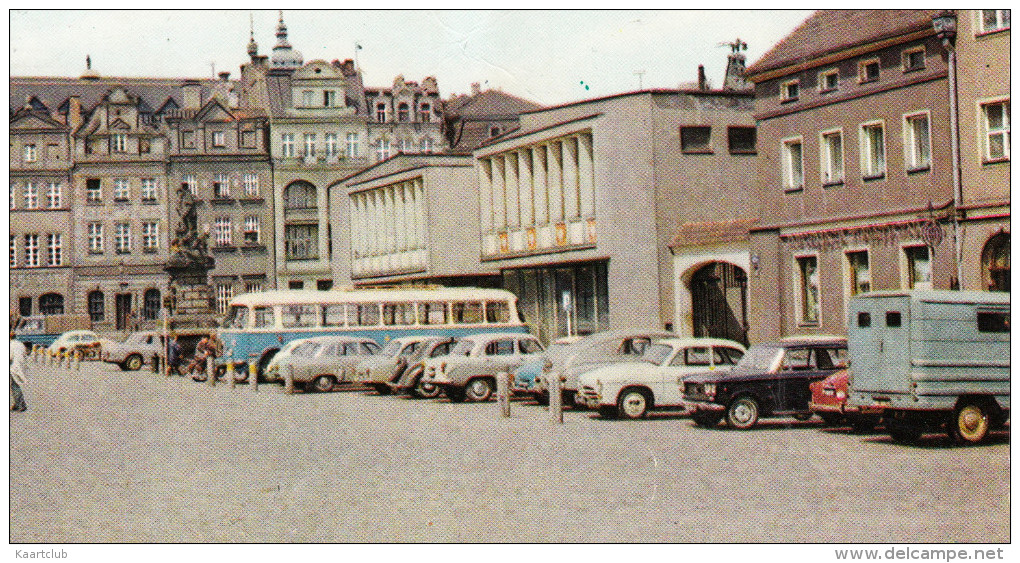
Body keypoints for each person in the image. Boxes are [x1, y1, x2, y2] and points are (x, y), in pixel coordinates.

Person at [10, 330, 28, 412]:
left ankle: (21, 404)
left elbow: (10, 357)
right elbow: (25, 354)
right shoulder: (20, 344)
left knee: (15, 385)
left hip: (14, 366)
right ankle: (17, 404)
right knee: (15, 384)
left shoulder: (10, 345)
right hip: (21, 366)